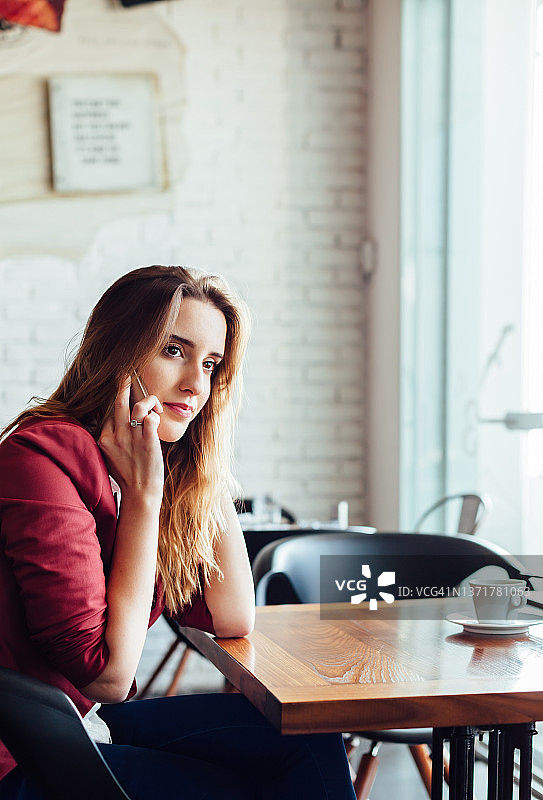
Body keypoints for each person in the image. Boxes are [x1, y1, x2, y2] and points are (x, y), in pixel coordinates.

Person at [0, 265, 356, 800]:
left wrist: (199, 461)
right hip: (22, 754)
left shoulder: (141, 462)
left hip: (78, 726)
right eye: (173, 350)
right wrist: (146, 497)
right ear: (116, 351)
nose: (196, 384)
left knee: (304, 738)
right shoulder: (40, 460)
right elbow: (111, 679)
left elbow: (232, 613)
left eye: (211, 364)